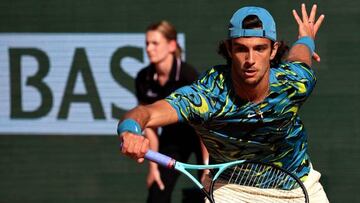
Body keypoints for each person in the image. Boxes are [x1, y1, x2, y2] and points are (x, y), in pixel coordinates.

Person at [119, 4, 328, 202]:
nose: (250, 59)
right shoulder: (207, 96)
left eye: (260, 48)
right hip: (230, 188)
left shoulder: (292, 85)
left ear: (273, 51)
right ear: (229, 49)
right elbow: (147, 112)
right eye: (241, 49)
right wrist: (131, 129)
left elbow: (300, 58)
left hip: (297, 185)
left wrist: (306, 39)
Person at [135, 20, 205, 203]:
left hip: (200, 135)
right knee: (157, 192)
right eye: (147, 43)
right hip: (173, 137)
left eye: (155, 43)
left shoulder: (188, 75)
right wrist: (153, 167)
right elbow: (149, 126)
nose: (149, 48)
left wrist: (206, 167)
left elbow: (203, 124)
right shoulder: (143, 78)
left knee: (209, 192)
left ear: (172, 45)